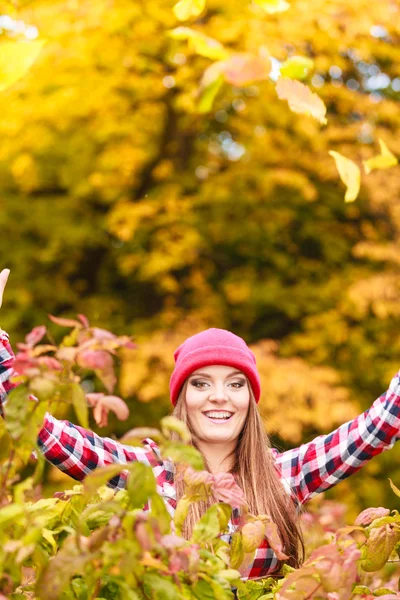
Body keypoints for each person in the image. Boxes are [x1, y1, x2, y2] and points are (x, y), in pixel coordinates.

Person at [1, 268, 400, 580]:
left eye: (235, 383)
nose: (219, 396)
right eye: (201, 383)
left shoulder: (284, 477)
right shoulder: (146, 473)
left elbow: (373, 429)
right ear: (183, 399)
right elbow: (45, 431)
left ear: (249, 399)